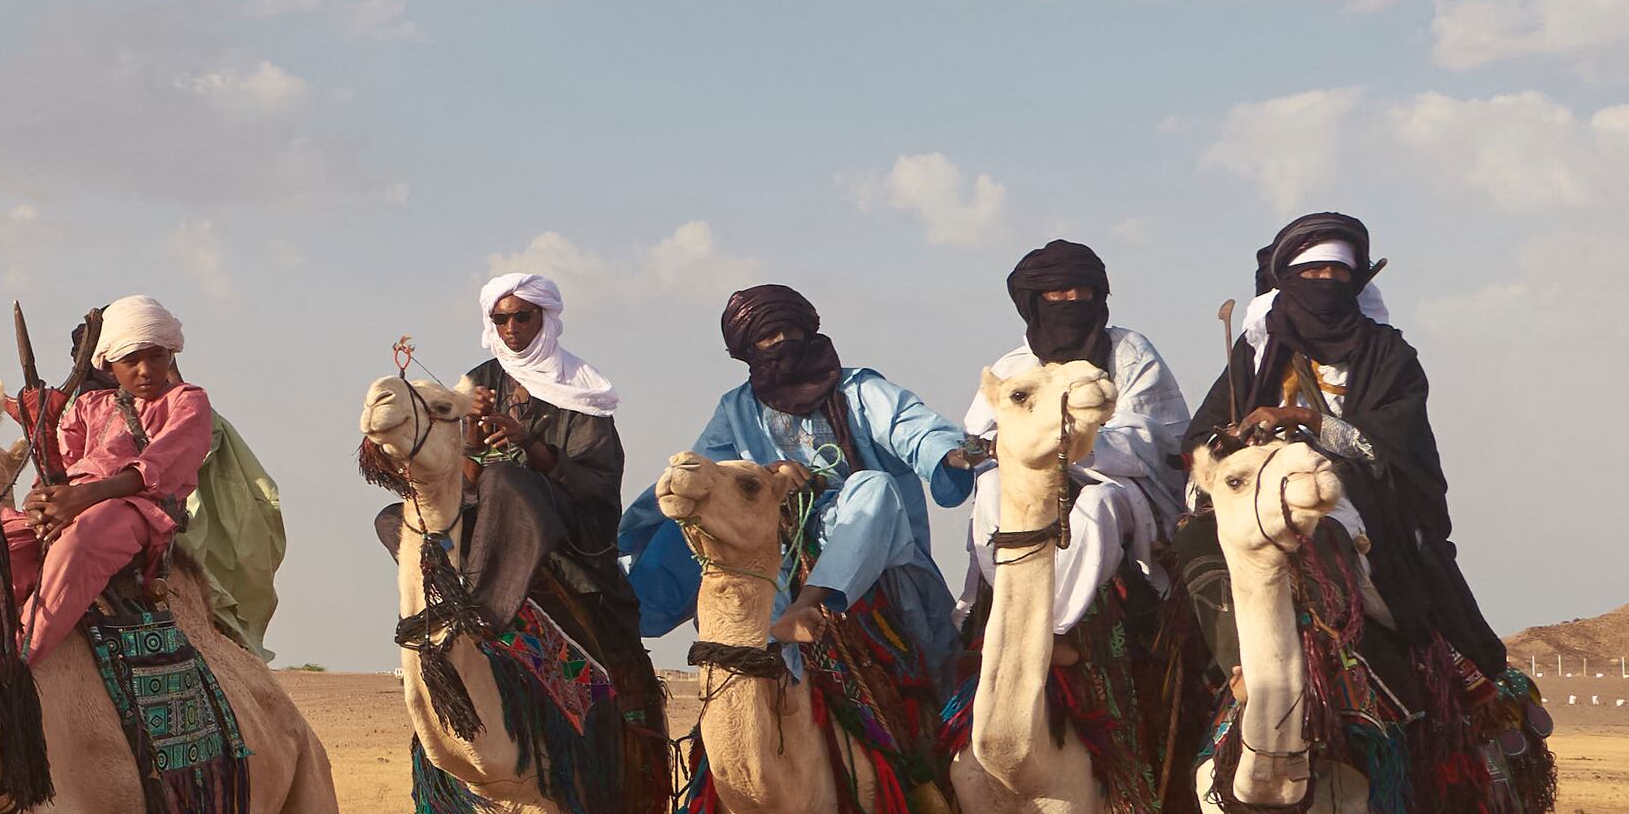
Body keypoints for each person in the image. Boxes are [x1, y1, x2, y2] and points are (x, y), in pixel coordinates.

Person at [1180, 209, 1510, 677]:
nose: (1326, 280)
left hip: (1355, 490)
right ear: (1290, 280)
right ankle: (1237, 670)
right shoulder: (1256, 351)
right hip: (1258, 491)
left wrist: (1305, 419)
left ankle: (1350, 663)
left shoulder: (1388, 353)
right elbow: (1200, 438)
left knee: (1330, 534)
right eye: (1313, 272)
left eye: (1338, 272)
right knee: (1196, 539)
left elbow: (1394, 443)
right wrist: (1230, 441)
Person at [686, 283, 989, 685]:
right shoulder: (736, 410)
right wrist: (768, 473)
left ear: (808, 333)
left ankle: (808, 605)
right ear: (748, 351)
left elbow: (913, 429)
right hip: (780, 538)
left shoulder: (858, 390)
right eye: (767, 338)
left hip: (869, 534)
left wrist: (954, 453)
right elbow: (712, 474)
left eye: (789, 334)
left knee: (875, 486)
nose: (781, 344)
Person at [460, 269, 673, 713]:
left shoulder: (580, 386)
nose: (511, 329)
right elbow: (463, 478)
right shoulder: (478, 380)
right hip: (484, 520)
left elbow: (594, 483)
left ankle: (486, 609)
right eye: (501, 320)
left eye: (522, 317)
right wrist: (469, 433)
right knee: (394, 517)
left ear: (545, 318)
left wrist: (527, 444)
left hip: (569, 525)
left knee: (506, 479)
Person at [966, 239, 1192, 638]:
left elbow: (1149, 438)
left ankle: (1051, 631)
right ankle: (1008, 610)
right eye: (1058, 292)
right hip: (1030, 489)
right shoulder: (1013, 367)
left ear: (1098, 296)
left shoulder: (1128, 352)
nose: (1070, 300)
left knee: (1098, 506)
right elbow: (983, 440)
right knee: (988, 486)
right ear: (1036, 301)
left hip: (1119, 485)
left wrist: (1067, 447)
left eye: (1080, 291)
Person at [6, 294, 215, 663]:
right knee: (1, 539)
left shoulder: (188, 401)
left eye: (155, 356)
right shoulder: (89, 406)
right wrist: (41, 501)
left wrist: (84, 499)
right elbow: (61, 466)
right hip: (77, 502)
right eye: (130, 361)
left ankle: (20, 656)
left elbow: (158, 469)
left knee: (80, 544)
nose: (146, 370)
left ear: (171, 355)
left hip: (139, 509)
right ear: (108, 365)